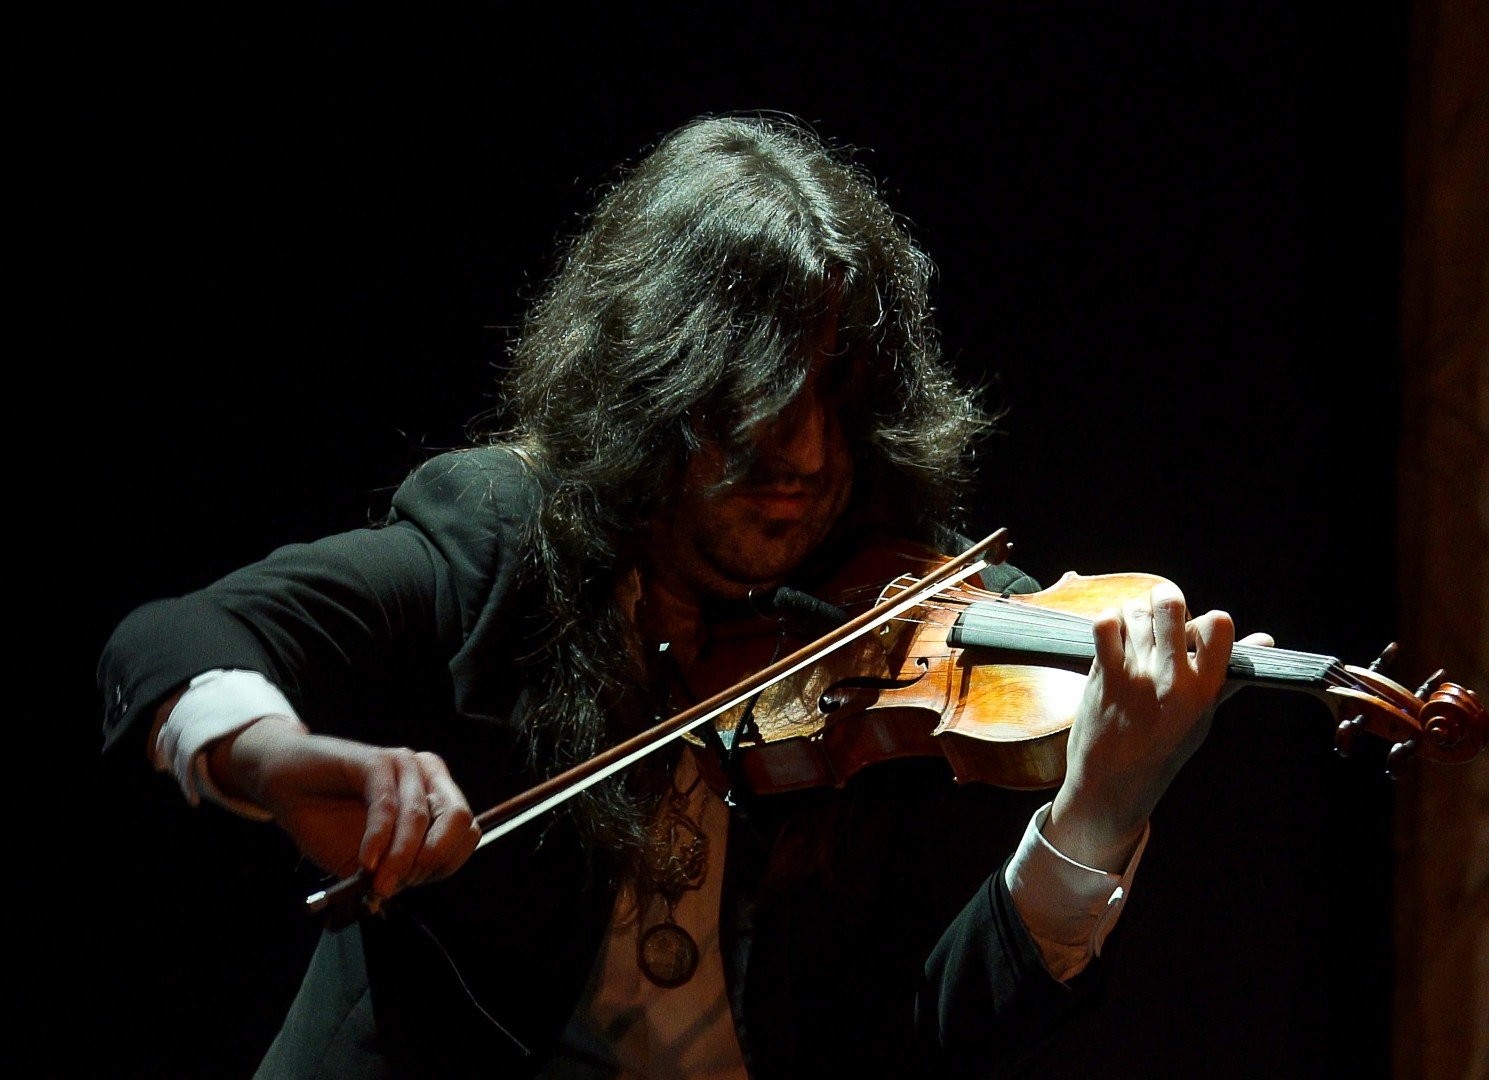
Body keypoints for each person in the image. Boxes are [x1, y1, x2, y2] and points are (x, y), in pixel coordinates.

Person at [97, 112, 1265, 1078]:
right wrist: (266, 753)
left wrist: (1096, 815)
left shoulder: (896, 628)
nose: (804, 455)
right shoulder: (498, 544)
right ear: (656, 388)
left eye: (835, 395)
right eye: (752, 397)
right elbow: (172, 638)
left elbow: (920, 1050)